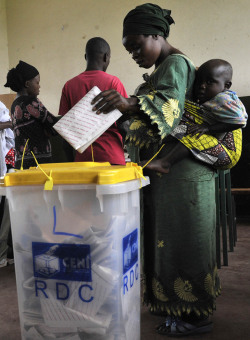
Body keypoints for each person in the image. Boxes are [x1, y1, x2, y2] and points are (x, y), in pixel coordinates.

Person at [92, 3, 219, 337]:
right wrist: (120, 111)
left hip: (183, 178)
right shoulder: (163, 68)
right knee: (167, 240)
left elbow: (169, 112)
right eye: (128, 48)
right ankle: (174, 306)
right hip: (167, 177)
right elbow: (148, 117)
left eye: (137, 45)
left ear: (157, 35)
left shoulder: (175, 64)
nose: (134, 53)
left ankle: (194, 316)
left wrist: (129, 103)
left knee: (184, 241)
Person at [140, 59, 248, 173]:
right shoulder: (212, 97)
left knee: (189, 131)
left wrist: (208, 129)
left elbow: (239, 122)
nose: (202, 86)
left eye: (209, 82)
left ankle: (165, 163)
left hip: (227, 153)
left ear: (227, 85)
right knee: (182, 118)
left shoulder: (223, 98)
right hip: (218, 144)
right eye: (199, 82)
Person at [58, 37, 128, 165]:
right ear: (106, 57)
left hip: (82, 161)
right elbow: (125, 124)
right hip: (111, 156)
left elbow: (65, 133)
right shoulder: (113, 82)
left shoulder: (69, 86)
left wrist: (71, 163)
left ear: (86, 57)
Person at [4, 60, 58, 169]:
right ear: (27, 84)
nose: (39, 86)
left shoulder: (15, 104)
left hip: (21, 162)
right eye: (37, 82)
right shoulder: (31, 102)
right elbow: (55, 125)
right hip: (38, 164)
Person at [0, 101, 15, 268]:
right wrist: (10, 123)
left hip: (7, 167)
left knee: (7, 211)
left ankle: (5, 252)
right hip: (5, 167)